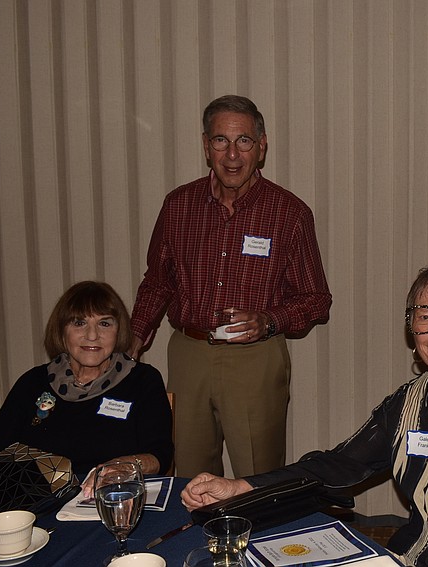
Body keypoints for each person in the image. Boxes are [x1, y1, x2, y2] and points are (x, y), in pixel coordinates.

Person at [182, 258, 428, 567]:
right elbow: (336, 465)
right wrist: (239, 486)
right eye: (424, 317)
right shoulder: (411, 403)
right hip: (411, 557)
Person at [129, 95, 332, 479]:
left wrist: (269, 320)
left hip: (254, 359)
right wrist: (132, 342)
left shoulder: (289, 213)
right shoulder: (178, 206)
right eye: (221, 141)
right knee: (187, 475)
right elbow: (157, 282)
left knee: (257, 475)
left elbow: (317, 300)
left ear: (262, 146)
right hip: (188, 354)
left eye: (244, 141)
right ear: (206, 146)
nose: (233, 155)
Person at [0, 281, 173, 500]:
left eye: (105, 323)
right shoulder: (33, 383)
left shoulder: (142, 380)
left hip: (113, 501)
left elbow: (160, 456)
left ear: (119, 330)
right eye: (79, 323)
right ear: (61, 330)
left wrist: (122, 467)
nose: (92, 335)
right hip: (37, 507)